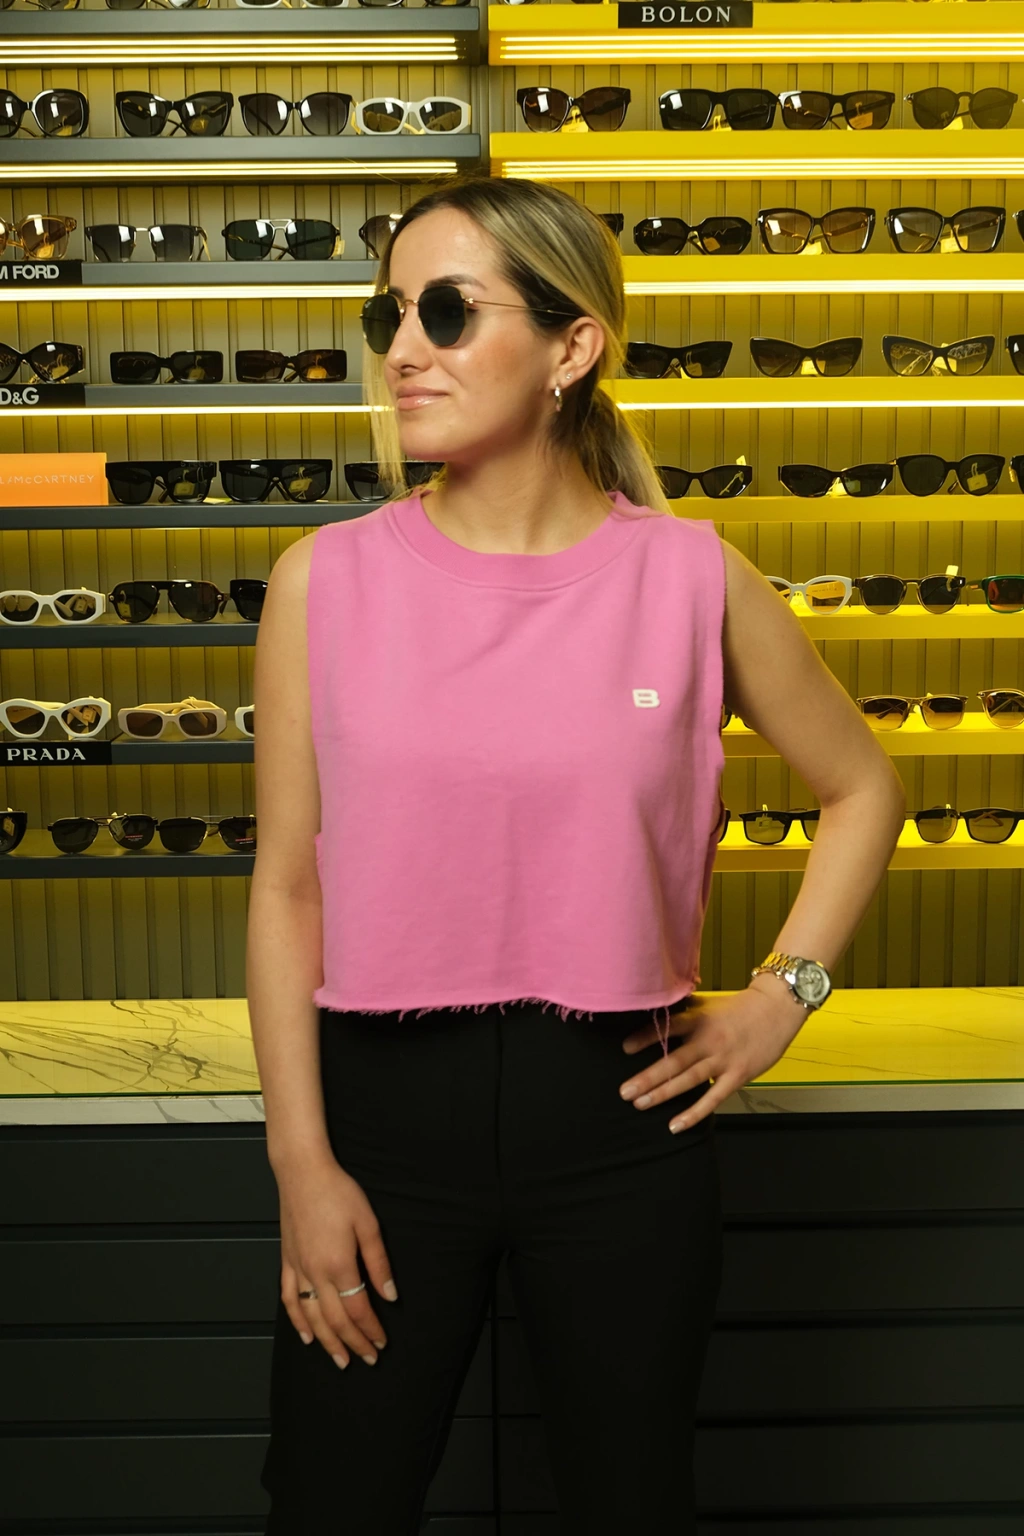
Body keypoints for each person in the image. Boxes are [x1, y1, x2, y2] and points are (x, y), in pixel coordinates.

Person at [247, 174, 906, 1535]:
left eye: (446, 312)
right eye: (390, 315)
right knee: (332, 1503)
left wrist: (782, 999)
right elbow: (287, 888)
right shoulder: (323, 581)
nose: (403, 348)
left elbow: (864, 786)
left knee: (627, 1502)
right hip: (380, 1131)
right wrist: (301, 1167)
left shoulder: (693, 576)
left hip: (620, 1128)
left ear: (572, 346)